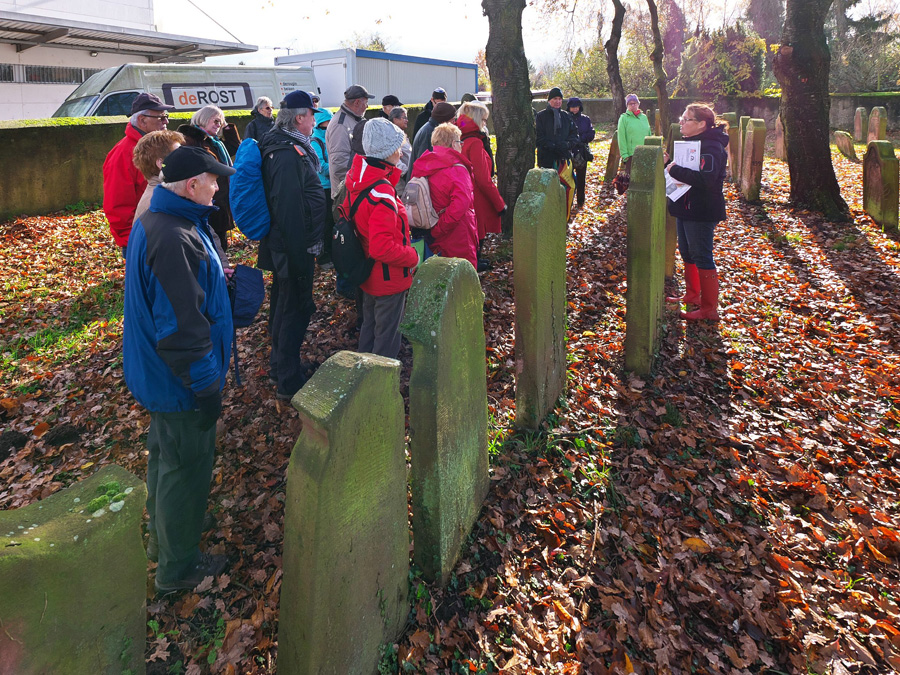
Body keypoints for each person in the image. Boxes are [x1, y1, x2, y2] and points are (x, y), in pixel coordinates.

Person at [123, 145, 235, 593]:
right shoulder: (173, 237)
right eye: (212, 180)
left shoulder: (170, 222)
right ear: (192, 185)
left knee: (167, 462)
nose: (217, 187)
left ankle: (161, 544)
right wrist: (206, 388)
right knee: (185, 470)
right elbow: (181, 333)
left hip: (162, 378)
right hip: (179, 384)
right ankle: (177, 568)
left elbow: (187, 304)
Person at [257, 91, 326, 399]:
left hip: (289, 246)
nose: (315, 120)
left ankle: (281, 366)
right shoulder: (286, 155)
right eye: (312, 115)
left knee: (285, 306)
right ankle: (288, 381)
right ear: (300, 118)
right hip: (292, 248)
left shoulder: (288, 147)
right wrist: (300, 254)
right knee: (294, 309)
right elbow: (288, 210)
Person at [345, 118, 419, 359]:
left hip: (368, 273)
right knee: (387, 341)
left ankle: (362, 378)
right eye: (398, 146)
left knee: (369, 329)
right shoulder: (382, 192)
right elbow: (382, 247)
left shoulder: (358, 180)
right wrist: (413, 256)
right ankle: (378, 390)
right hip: (388, 277)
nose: (401, 150)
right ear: (389, 152)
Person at [665, 103, 729, 322]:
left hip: (702, 210)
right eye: (682, 118)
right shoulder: (691, 143)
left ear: (702, 124)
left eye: (686, 119)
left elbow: (706, 180)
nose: (681, 122)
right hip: (685, 207)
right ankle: (692, 294)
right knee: (687, 252)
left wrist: (673, 168)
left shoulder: (712, 147)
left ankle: (709, 308)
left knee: (702, 255)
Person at [102, 92, 174, 255]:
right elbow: (117, 204)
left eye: (166, 116)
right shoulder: (123, 153)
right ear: (142, 120)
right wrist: (132, 241)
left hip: (161, 231)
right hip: (143, 239)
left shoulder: (156, 147)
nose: (166, 121)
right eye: (161, 117)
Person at [411, 123, 479, 269]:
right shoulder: (457, 169)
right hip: (457, 233)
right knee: (462, 276)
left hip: (430, 227)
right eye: (460, 142)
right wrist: (438, 230)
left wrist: (433, 231)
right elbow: (460, 206)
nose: (461, 145)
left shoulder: (423, 164)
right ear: (454, 144)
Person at [456, 101, 505, 271]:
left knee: (471, 230)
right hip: (477, 195)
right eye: (484, 119)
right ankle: (474, 260)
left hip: (464, 191)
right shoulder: (475, 142)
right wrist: (499, 204)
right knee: (478, 230)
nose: (485, 123)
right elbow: (483, 178)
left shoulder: (460, 137)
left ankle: (475, 259)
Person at [178, 106, 234, 253]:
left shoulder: (216, 142)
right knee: (211, 248)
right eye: (215, 120)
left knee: (220, 245)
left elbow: (235, 146)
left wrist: (225, 125)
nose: (219, 125)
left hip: (219, 201)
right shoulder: (194, 141)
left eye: (221, 122)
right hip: (206, 203)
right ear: (203, 119)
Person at [131, 129, 185, 227]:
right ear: (161, 163)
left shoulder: (163, 193)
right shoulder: (160, 202)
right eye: (178, 154)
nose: (185, 158)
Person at [325, 84, 374, 189]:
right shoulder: (340, 124)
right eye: (366, 102)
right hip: (348, 192)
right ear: (357, 102)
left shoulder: (354, 119)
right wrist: (357, 184)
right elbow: (340, 163)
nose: (367, 106)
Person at [310, 107, 334, 268]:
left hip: (333, 185)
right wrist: (337, 169)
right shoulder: (315, 141)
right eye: (328, 121)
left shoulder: (332, 137)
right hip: (324, 187)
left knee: (333, 221)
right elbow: (320, 165)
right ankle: (323, 256)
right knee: (325, 222)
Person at [535, 87, 578, 170]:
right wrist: (552, 146)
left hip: (564, 157)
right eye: (555, 99)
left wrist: (567, 144)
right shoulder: (541, 116)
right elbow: (538, 136)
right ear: (549, 100)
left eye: (560, 99)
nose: (558, 101)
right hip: (546, 158)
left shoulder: (567, 116)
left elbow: (574, 134)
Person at [567, 97, 596, 207]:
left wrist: (581, 139)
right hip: (569, 151)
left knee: (581, 178)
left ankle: (580, 200)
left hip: (582, 152)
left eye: (576, 107)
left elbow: (591, 133)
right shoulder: (565, 118)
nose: (575, 109)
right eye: (572, 107)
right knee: (568, 178)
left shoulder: (585, 119)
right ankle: (569, 200)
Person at [411, 101, 456, 170]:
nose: (454, 123)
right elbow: (424, 162)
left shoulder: (429, 128)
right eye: (452, 120)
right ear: (444, 121)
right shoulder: (430, 133)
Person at [617, 94, 652, 175]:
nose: (633, 105)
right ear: (627, 105)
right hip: (631, 154)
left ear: (638, 104)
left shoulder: (644, 117)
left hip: (644, 152)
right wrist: (624, 154)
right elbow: (621, 137)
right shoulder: (624, 118)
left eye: (635, 103)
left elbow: (649, 133)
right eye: (630, 104)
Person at [389, 107, 412, 194]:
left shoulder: (400, 134)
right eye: (404, 118)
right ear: (395, 119)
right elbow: (394, 159)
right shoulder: (393, 136)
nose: (407, 120)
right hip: (400, 182)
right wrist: (406, 173)